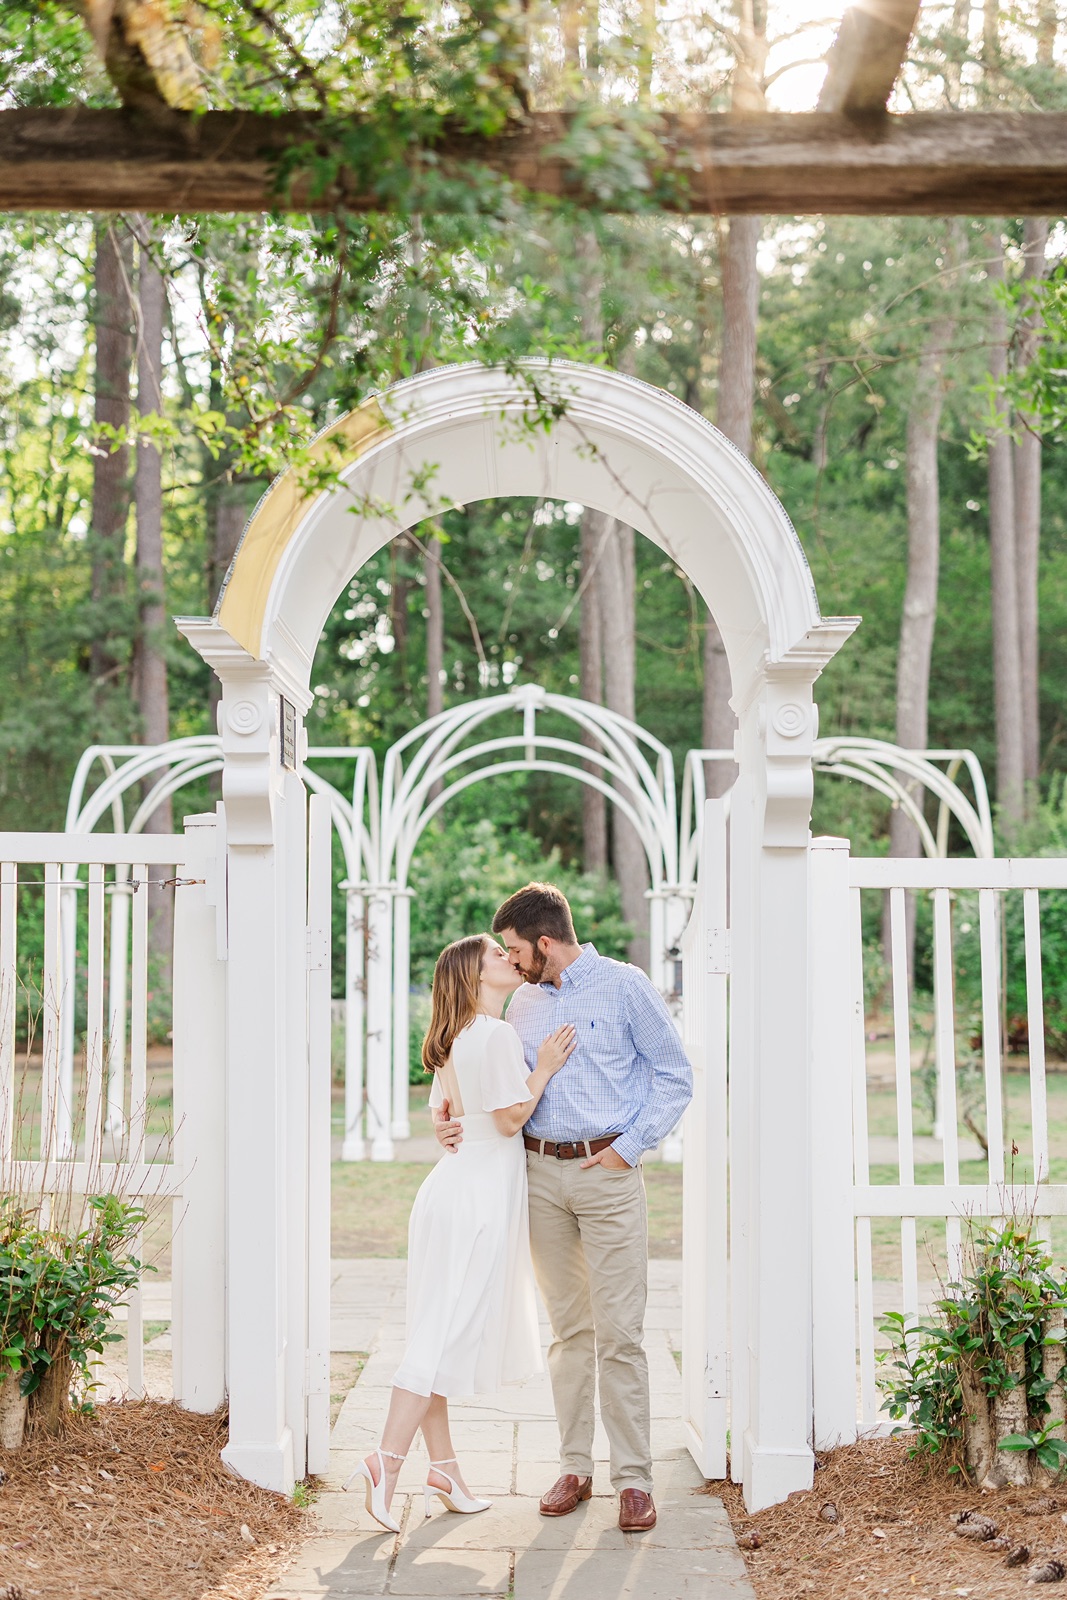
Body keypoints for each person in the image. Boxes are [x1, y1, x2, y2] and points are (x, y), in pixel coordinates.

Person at [434, 882, 693, 1533]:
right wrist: (445, 1116)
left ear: (546, 943)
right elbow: (495, 1089)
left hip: (607, 1174)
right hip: (537, 1177)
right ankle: (573, 1467)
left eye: (518, 949)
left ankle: (633, 1479)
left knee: (621, 1332)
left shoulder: (626, 986)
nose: (513, 960)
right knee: (568, 1331)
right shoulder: (520, 1003)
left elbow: (674, 1073)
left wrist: (628, 1149)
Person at [346, 932, 576, 1534]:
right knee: (441, 1335)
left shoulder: (458, 1038)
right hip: (473, 1198)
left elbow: (444, 1106)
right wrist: (545, 1069)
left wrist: (444, 1121)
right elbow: (507, 1119)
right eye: (495, 955)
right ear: (475, 978)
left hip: (451, 1190)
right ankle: (386, 1461)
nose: (508, 957)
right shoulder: (495, 1035)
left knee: (436, 1328)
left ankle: (443, 1469)